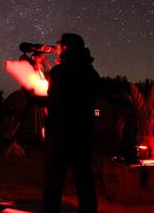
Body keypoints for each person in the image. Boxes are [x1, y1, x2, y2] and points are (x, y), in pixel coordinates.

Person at [43, 33, 100, 213]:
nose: (57, 49)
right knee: (84, 180)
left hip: (60, 134)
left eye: (60, 46)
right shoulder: (92, 74)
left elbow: (53, 101)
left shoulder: (59, 72)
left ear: (66, 48)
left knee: (54, 181)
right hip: (83, 133)